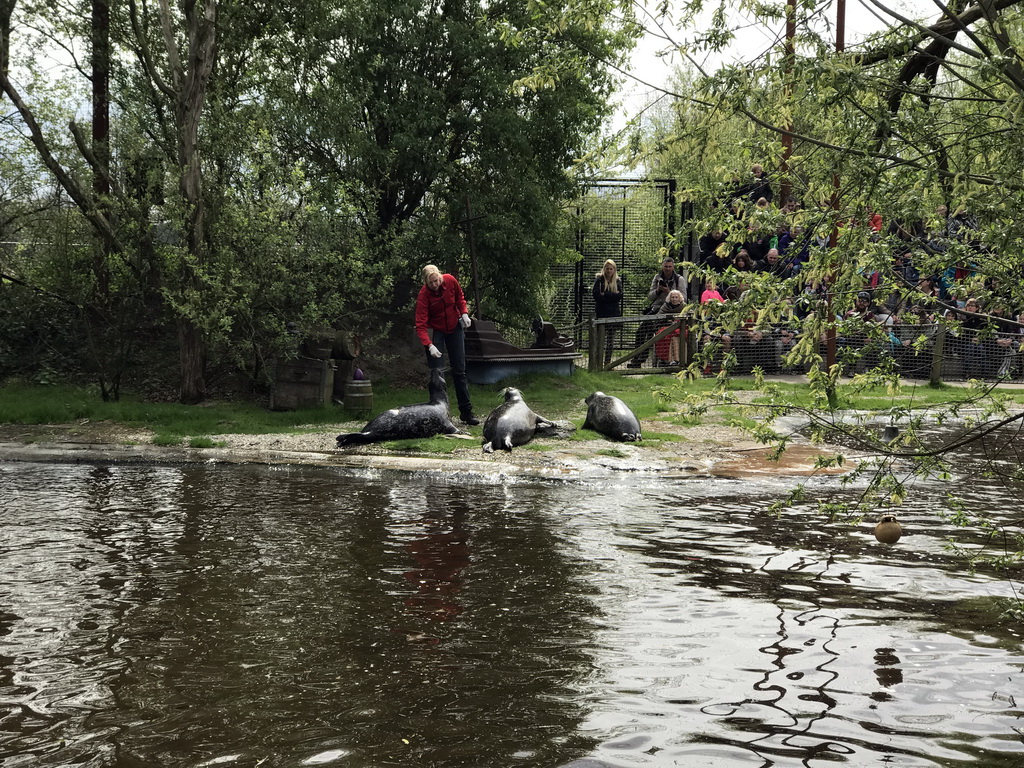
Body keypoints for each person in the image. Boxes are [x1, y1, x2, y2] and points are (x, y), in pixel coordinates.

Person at [414, 264, 479, 425]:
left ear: (440, 277)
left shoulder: (450, 281)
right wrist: (429, 345)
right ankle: (438, 413)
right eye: (431, 283)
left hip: (454, 327)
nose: (435, 285)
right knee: (437, 373)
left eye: (436, 281)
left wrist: (464, 313)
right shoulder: (424, 295)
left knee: (460, 371)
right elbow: (420, 324)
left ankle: (466, 412)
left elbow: (459, 298)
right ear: (426, 283)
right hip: (436, 331)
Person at [627, 256, 687, 368]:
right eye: (665, 267)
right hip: (656, 309)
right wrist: (658, 290)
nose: (667, 269)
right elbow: (650, 296)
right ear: (662, 266)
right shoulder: (657, 277)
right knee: (641, 331)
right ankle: (637, 359)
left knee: (655, 334)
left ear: (673, 267)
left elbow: (683, 297)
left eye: (669, 267)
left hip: (671, 310)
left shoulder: (679, 279)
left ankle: (658, 359)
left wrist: (669, 292)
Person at [592, 259, 623, 365]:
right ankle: (597, 362)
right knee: (599, 339)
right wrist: (612, 295)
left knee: (611, 341)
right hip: (601, 313)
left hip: (613, 314)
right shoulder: (599, 280)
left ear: (614, 270)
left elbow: (619, 297)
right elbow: (596, 296)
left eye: (611, 269)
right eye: (607, 268)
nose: (609, 271)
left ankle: (607, 363)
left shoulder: (618, 281)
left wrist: (605, 294)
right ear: (604, 269)